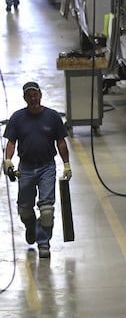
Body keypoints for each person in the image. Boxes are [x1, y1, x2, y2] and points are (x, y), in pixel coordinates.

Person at [2, 81, 71, 258]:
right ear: (25, 98)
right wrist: (8, 160)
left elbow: (61, 142)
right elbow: (11, 142)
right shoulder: (17, 118)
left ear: (40, 95)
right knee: (24, 209)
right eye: (29, 95)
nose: (33, 98)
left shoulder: (52, 117)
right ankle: (31, 226)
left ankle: (43, 243)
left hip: (46, 167)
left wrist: (66, 164)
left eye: (35, 94)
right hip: (25, 168)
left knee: (47, 210)